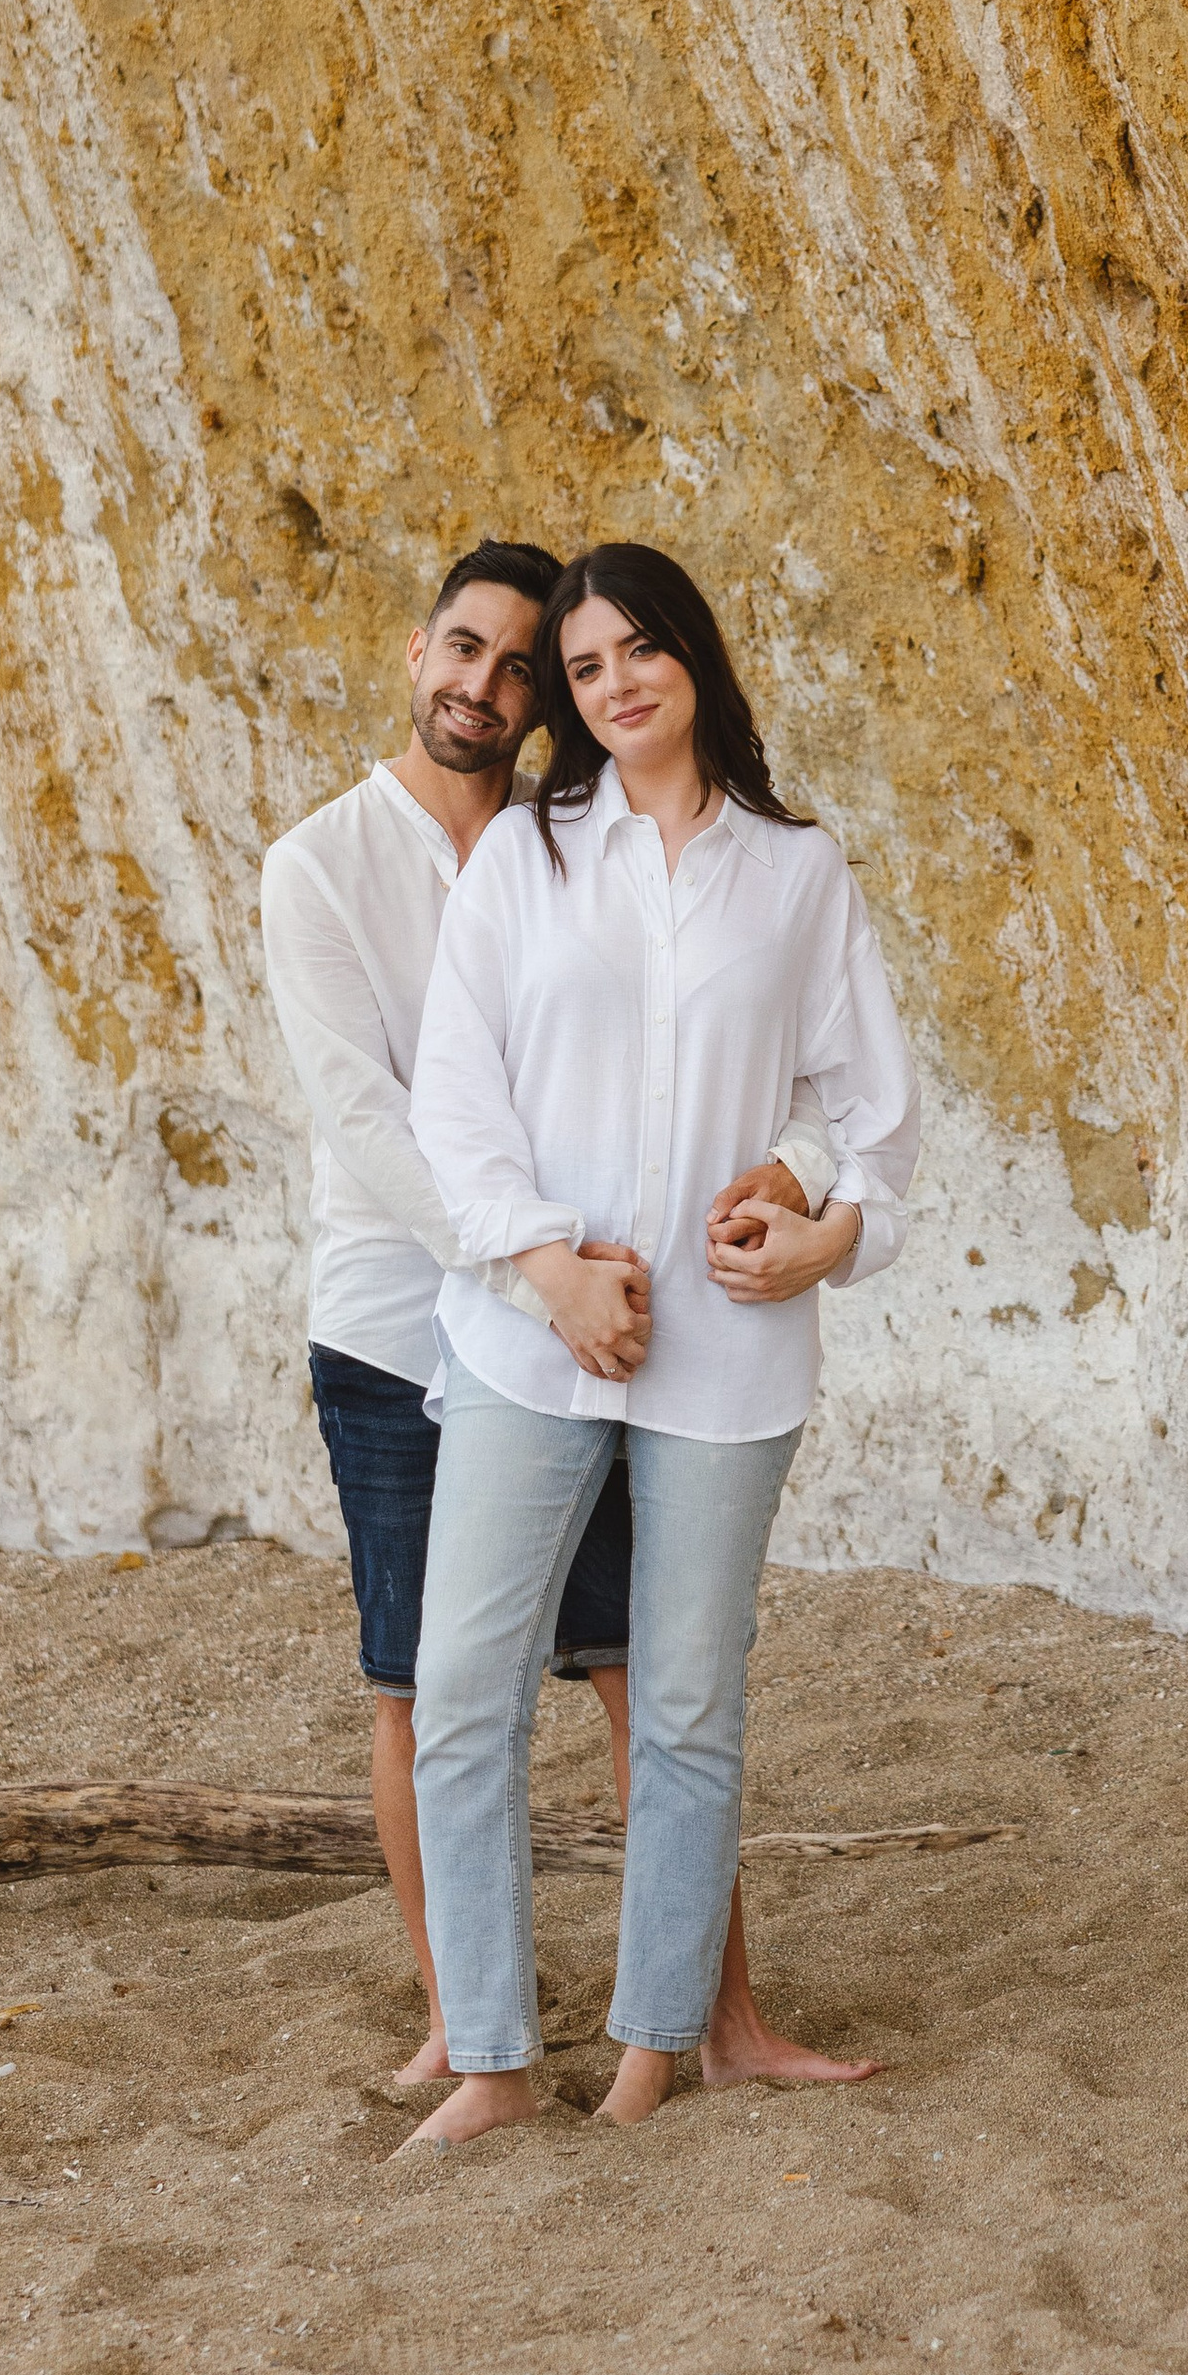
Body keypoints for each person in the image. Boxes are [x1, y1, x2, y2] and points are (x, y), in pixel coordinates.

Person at [260, 539, 851, 2092]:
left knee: (651, 1684)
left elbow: (829, 1090)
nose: (501, 687)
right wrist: (537, 1266)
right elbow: (399, 1117)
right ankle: (475, 2034)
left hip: (643, 1331)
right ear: (416, 651)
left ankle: (695, 2024)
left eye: (541, 667)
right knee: (427, 1686)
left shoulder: (620, 844)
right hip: (426, 1323)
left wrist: (791, 1189)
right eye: (489, 655)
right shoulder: (342, 863)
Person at [403, 541, 921, 2148]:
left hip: (727, 1356)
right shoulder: (527, 857)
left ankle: (651, 2054)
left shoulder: (797, 870)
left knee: (691, 1706)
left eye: (639, 652)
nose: (614, 686)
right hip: (530, 1338)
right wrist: (551, 1268)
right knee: (463, 1689)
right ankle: (491, 2059)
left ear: (692, 656)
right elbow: (454, 1099)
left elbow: (875, 1127)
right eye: (583, 669)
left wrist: (826, 1223)